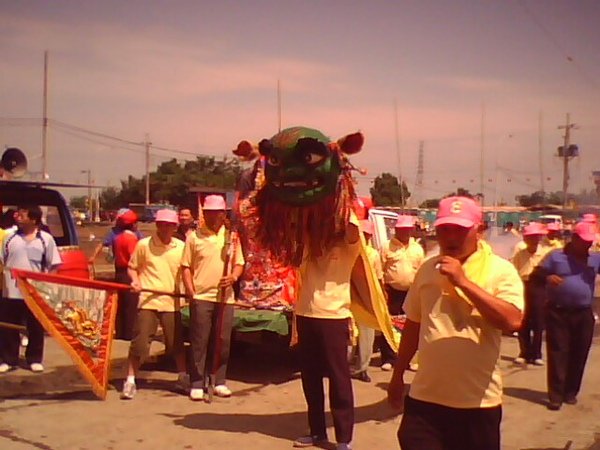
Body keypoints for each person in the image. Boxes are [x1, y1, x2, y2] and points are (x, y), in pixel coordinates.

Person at [388, 196, 524, 450]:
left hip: (477, 404)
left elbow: (512, 320)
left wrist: (463, 282)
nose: (451, 237)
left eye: (460, 230)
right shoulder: (427, 269)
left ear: (479, 231)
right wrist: (398, 374)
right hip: (425, 400)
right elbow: (413, 325)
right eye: (444, 230)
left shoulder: (500, 271)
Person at [182, 195, 244, 401]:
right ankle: (197, 382)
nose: (212, 216)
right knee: (199, 340)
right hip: (202, 295)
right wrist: (190, 290)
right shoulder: (194, 236)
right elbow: (186, 267)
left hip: (225, 297)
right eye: (208, 212)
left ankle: (219, 380)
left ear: (223, 214)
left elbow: (239, 263)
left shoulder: (231, 237)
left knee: (222, 341)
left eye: (216, 213)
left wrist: (233, 277)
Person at [533, 221, 600, 411]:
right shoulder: (556, 257)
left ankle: (571, 392)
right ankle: (555, 395)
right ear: (574, 238)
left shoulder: (595, 259)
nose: (587, 245)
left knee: (580, 353)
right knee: (558, 352)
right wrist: (547, 278)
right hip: (558, 312)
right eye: (584, 241)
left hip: (583, 313)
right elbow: (535, 275)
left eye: (590, 242)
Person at [121, 209, 187, 399]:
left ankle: (183, 377)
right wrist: (135, 281)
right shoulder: (143, 245)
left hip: (171, 301)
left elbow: (187, 271)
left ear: (175, 227)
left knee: (176, 343)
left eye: (170, 225)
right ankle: (130, 380)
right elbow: (132, 268)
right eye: (162, 224)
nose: (165, 228)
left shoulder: (181, 247)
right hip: (148, 300)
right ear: (157, 225)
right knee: (140, 343)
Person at [0, 205, 62, 373]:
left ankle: (34, 358)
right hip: (10, 290)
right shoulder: (9, 238)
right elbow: (2, 262)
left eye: (22, 213)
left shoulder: (46, 239)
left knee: (35, 325)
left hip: (35, 291)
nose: (17, 216)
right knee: (9, 326)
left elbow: (54, 265)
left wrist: (48, 285)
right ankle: (8, 359)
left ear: (33, 219)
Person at [379, 214, 424, 371]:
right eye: (401, 229)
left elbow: (421, 271)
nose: (404, 232)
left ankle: (408, 359)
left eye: (407, 229)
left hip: (411, 292)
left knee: (410, 325)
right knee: (389, 324)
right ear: (396, 229)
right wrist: (382, 291)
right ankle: (389, 358)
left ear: (411, 230)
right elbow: (379, 270)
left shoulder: (417, 249)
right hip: (391, 292)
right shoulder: (386, 247)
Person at [511, 222, 548, 365]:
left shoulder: (544, 253)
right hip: (523, 285)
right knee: (523, 321)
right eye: (530, 237)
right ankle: (524, 352)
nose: (533, 240)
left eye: (535, 237)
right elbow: (514, 271)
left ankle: (537, 353)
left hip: (539, 287)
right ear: (525, 239)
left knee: (538, 321)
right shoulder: (520, 254)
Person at [350, 220, 382, 383]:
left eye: (367, 234)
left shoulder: (373, 254)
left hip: (367, 297)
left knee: (366, 334)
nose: (365, 236)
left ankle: (362, 368)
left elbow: (378, 279)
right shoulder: (349, 251)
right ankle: (346, 366)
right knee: (350, 333)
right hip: (349, 296)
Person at [113, 210, 140, 340]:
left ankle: (120, 331)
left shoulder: (117, 238)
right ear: (133, 224)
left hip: (118, 272)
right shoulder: (131, 239)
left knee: (120, 304)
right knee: (131, 305)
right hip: (128, 272)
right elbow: (134, 258)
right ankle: (129, 333)